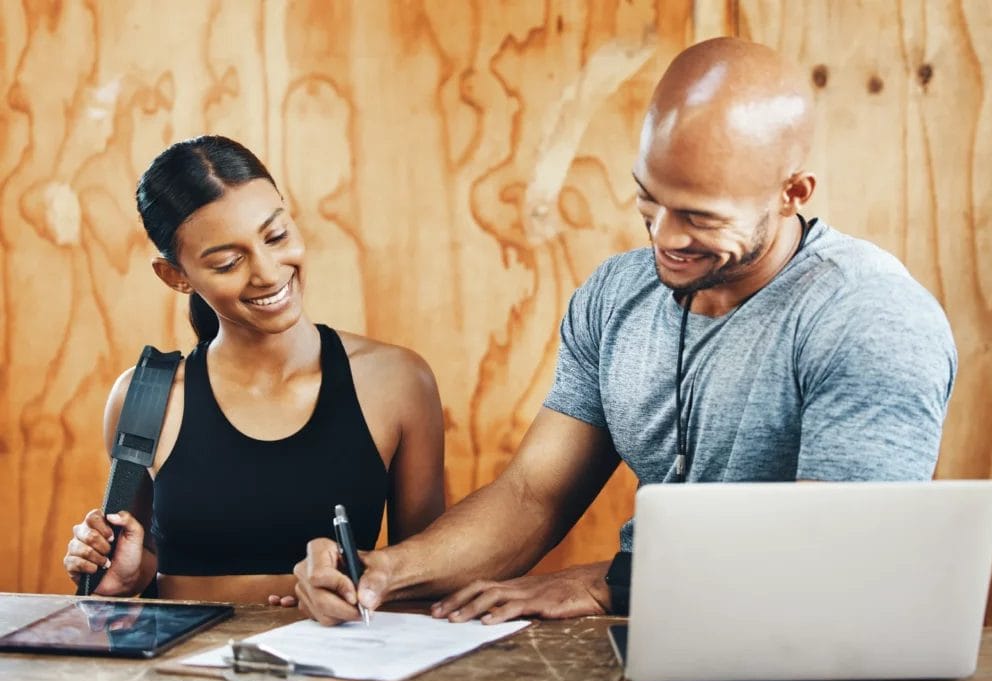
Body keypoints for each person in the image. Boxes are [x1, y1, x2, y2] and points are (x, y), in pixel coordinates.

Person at [293, 36, 957, 626]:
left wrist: (611, 584)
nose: (664, 238)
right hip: (667, 637)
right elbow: (532, 494)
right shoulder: (617, 296)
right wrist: (384, 571)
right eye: (649, 199)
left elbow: (834, 552)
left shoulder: (870, 318)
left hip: (813, 656)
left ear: (793, 192)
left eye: (698, 215)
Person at [62, 135, 445, 604]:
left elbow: (428, 576)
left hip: (338, 667)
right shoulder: (143, 398)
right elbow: (132, 578)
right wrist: (121, 579)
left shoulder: (399, 382)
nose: (266, 272)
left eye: (277, 235)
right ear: (176, 276)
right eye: (228, 261)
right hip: (184, 674)